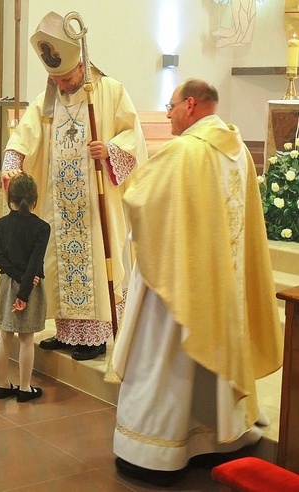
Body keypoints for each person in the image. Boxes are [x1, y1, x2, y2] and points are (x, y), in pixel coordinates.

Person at [111, 79, 283, 487]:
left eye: (170, 106)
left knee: (165, 363)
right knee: (210, 366)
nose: (167, 113)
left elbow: (140, 201)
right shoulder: (237, 149)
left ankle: (155, 449)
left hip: (179, 282)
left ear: (190, 105)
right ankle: (215, 440)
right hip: (221, 285)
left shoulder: (185, 151)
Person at [1, 11, 147, 361]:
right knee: (56, 264)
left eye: (67, 78)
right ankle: (68, 332)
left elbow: (134, 136)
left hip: (94, 206)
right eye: (57, 80)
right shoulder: (47, 102)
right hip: (59, 206)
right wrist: (11, 164)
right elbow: (24, 136)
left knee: (96, 265)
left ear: (81, 67)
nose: (63, 86)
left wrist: (109, 150)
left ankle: (94, 336)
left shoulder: (110, 92)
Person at [0, 173, 51, 403]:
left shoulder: (1, 224)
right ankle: (25, 388)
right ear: (34, 199)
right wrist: (24, 291)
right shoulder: (41, 227)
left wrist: (15, 279)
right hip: (31, 284)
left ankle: (1, 385)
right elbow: (36, 262)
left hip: (8, 283)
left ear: (9, 197)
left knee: (4, 334)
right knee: (26, 338)